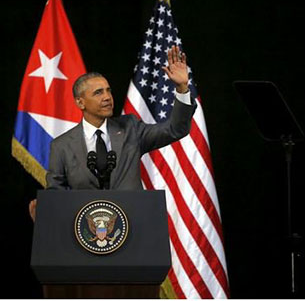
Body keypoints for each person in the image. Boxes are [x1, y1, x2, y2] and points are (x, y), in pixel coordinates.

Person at [29, 45, 195, 221]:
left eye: (108, 90)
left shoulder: (131, 128)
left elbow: (175, 129)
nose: (107, 97)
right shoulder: (61, 146)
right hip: (87, 234)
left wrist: (182, 88)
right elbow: (56, 195)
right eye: (98, 93)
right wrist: (46, 217)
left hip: (133, 226)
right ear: (80, 102)